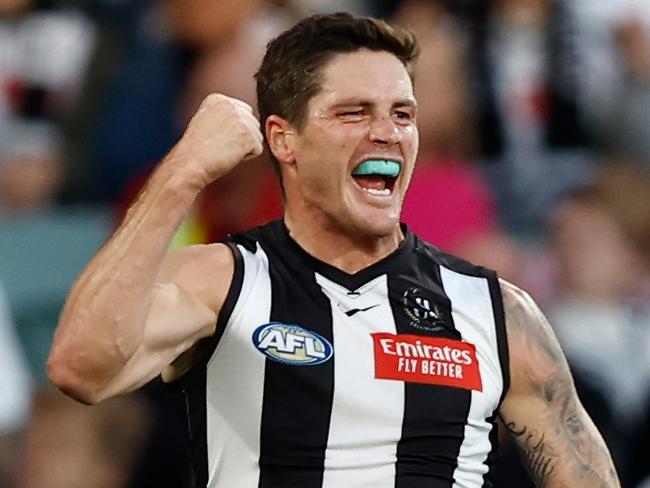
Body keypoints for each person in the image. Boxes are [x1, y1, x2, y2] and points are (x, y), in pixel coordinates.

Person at [47, 12, 620, 488]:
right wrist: (183, 172)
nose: (387, 132)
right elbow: (81, 367)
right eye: (354, 112)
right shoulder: (223, 282)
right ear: (283, 139)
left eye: (402, 114)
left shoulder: (498, 311)